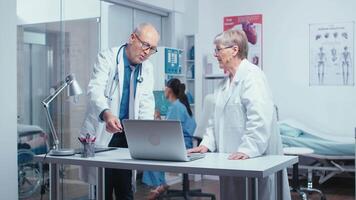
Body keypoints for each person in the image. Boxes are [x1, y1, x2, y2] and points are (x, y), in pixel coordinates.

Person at [188, 29, 291, 200]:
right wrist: (206, 144)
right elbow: (215, 121)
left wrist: (248, 149)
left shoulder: (252, 76)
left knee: (255, 194)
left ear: (234, 50)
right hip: (232, 159)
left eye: (218, 50)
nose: (215, 55)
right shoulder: (224, 84)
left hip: (253, 158)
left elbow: (259, 119)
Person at [80, 23, 160, 200]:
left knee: (125, 192)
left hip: (127, 138)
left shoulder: (147, 68)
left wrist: (145, 134)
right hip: (103, 134)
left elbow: (146, 104)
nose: (147, 52)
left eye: (152, 49)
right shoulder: (107, 58)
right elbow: (94, 91)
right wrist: (107, 114)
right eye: (145, 45)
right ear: (132, 38)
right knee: (102, 190)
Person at [143, 78, 196, 200]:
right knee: (154, 149)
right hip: (182, 143)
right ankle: (161, 184)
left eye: (165, 88)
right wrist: (158, 118)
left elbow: (169, 132)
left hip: (181, 146)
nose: (163, 90)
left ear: (169, 90)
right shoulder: (178, 105)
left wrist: (156, 121)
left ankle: (158, 185)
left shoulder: (176, 107)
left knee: (150, 153)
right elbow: (170, 129)